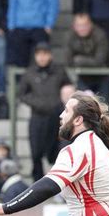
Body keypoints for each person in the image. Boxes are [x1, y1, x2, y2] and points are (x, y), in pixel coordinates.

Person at [18, 42, 71, 180]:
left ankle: (59, 182)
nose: (42, 57)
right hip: (37, 116)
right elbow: (22, 94)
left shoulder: (59, 71)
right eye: (39, 54)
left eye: (45, 54)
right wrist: (38, 103)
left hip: (56, 117)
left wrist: (59, 103)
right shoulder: (29, 73)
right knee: (36, 152)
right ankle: (38, 183)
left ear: (50, 55)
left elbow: (68, 88)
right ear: (35, 56)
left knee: (57, 152)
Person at [65, 13, 109, 99]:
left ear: (90, 24)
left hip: (102, 75)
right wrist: (88, 61)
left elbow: (99, 61)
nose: (82, 28)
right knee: (83, 105)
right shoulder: (70, 36)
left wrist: (79, 60)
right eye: (79, 25)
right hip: (82, 77)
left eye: (85, 25)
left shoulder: (100, 35)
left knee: (103, 106)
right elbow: (68, 60)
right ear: (74, 26)